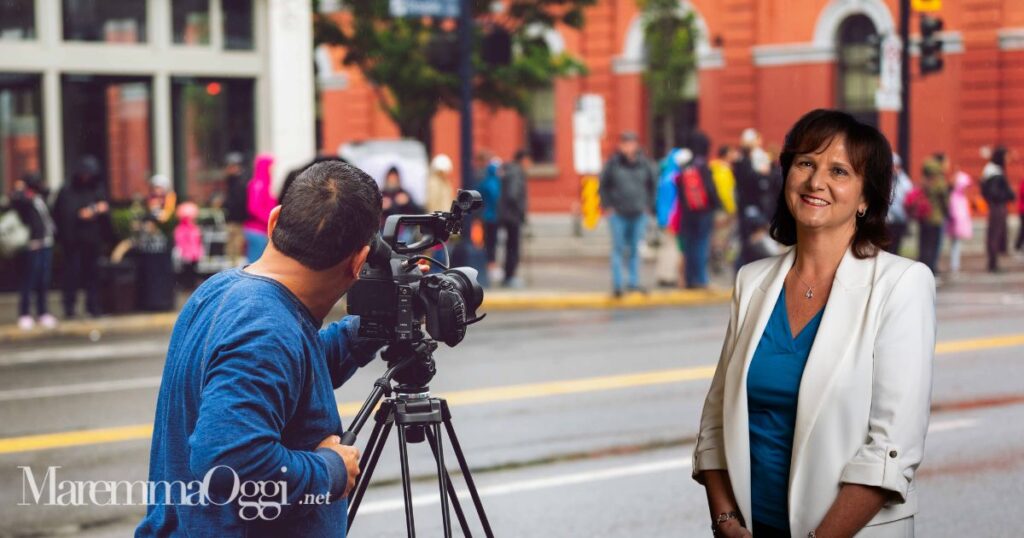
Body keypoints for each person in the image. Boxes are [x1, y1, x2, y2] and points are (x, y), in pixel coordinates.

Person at [694, 109, 935, 538]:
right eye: (806, 163)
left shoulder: (902, 284)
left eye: (839, 171)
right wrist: (726, 520)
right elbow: (715, 422)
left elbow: (890, 449)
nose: (815, 181)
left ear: (865, 198)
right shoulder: (752, 281)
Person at [136, 161, 385, 537]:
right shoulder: (267, 328)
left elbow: (290, 377)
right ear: (359, 263)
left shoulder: (225, 290)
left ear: (274, 221)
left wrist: (366, 331)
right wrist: (330, 470)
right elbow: (228, 464)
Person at [598, 131, 656, 297]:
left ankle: (633, 282)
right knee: (618, 248)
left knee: (635, 249)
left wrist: (648, 206)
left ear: (636, 145)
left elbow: (652, 185)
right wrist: (607, 206)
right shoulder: (612, 164)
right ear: (621, 146)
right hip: (618, 214)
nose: (629, 147)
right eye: (626, 144)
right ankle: (618, 285)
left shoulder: (645, 164)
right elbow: (603, 186)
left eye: (632, 143)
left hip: (639, 213)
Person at [53, 155, 109, 318]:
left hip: (92, 240)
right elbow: (63, 215)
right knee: (72, 275)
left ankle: (93, 307)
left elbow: (105, 212)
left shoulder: (96, 189)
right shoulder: (68, 191)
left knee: (93, 274)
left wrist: (97, 211)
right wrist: (86, 213)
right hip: (73, 242)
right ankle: (69, 308)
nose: (87, 177)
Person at [10, 173, 57, 330]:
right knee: (28, 280)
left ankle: (42, 312)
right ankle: (24, 314)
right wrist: (20, 189)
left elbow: (48, 191)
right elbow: (14, 201)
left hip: (46, 243)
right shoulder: (25, 199)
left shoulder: (39, 198)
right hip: (33, 245)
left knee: (43, 280)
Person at [676, 131, 722, 288]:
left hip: (687, 212)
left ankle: (690, 279)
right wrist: (717, 205)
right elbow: (710, 189)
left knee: (689, 245)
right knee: (701, 244)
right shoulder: (703, 165)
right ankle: (701, 279)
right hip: (703, 211)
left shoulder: (684, 164)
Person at [980, 146, 1016, 272]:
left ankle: (994, 262)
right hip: (997, 206)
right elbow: (994, 192)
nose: (1008, 158)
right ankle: (993, 263)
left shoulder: (991, 170)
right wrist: (1007, 195)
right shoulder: (994, 172)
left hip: (996, 206)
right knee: (995, 234)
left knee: (995, 234)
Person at [498, 150, 530, 287]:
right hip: (513, 216)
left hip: (507, 215)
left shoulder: (509, 171)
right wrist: (521, 211)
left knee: (510, 246)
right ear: (523, 160)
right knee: (513, 247)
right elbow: (513, 194)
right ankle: (510, 275)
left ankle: (508, 274)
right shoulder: (517, 173)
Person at [916, 155, 949, 275]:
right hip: (936, 218)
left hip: (923, 216)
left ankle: (922, 266)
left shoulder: (923, 181)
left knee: (923, 243)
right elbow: (945, 200)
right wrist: (947, 212)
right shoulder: (939, 182)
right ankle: (931, 267)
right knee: (934, 244)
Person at [709, 145, 738, 274]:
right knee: (721, 237)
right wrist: (731, 210)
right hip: (723, 209)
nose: (735, 155)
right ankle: (717, 264)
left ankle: (715, 262)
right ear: (726, 155)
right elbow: (725, 193)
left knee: (715, 236)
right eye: (732, 152)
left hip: (713, 208)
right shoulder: (723, 170)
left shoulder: (713, 167)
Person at [244, 154, 277, 263]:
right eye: (271, 167)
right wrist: (270, 220)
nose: (273, 170)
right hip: (256, 230)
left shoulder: (265, 185)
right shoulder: (258, 185)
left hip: (262, 230)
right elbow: (254, 208)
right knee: (255, 262)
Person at [885, 154, 913, 256]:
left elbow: (909, 196)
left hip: (900, 219)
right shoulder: (884, 179)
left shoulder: (904, 181)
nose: (893, 169)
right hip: (886, 219)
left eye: (895, 166)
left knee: (896, 245)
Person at [477, 154, 501, 271]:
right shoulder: (497, 183)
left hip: (486, 216)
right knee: (492, 241)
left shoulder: (485, 182)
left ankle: (487, 262)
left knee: (487, 241)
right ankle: (490, 263)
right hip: (493, 216)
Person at [223, 152, 248, 265]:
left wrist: (225, 204)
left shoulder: (240, 182)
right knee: (231, 251)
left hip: (238, 222)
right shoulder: (231, 181)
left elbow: (238, 202)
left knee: (237, 250)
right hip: (232, 220)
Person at [946, 169, 973, 275]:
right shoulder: (955, 197)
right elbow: (954, 212)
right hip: (955, 224)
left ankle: (955, 264)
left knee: (956, 244)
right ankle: (954, 265)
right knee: (955, 244)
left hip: (958, 224)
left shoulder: (960, 197)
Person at [174, 200, 204, 290]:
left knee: (192, 271)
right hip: (186, 255)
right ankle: (186, 285)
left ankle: (190, 285)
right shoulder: (182, 229)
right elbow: (181, 242)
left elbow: (197, 241)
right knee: (186, 271)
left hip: (194, 254)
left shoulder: (194, 228)